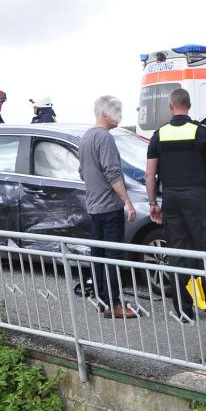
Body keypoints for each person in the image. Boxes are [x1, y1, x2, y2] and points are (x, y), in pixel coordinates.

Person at [146, 88, 206, 321]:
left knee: (178, 253)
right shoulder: (202, 133)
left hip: (171, 199)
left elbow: (149, 175)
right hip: (198, 199)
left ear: (171, 106)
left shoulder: (159, 135)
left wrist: (153, 203)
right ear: (189, 106)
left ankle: (183, 310)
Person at [78, 96, 137, 319]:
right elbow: (112, 172)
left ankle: (103, 301)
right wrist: (127, 201)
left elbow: (82, 172)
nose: (120, 118)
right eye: (117, 113)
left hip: (94, 207)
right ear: (106, 113)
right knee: (112, 257)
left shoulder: (86, 137)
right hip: (110, 208)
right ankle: (115, 305)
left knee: (99, 256)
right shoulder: (105, 138)